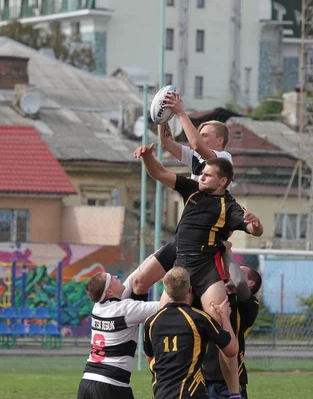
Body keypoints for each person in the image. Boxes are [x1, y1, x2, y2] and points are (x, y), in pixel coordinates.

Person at [134, 145, 263, 398]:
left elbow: (254, 230)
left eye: (208, 174)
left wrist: (256, 225)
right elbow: (159, 173)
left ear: (223, 180)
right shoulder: (192, 191)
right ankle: (163, 389)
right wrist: (148, 157)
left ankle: (234, 393)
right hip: (180, 271)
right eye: (201, 172)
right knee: (163, 325)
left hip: (207, 271)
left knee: (223, 330)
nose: (201, 176)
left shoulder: (231, 206)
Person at [131, 90, 234, 298]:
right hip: (185, 235)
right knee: (139, 282)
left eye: (205, 135)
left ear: (220, 141)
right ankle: (141, 327)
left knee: (194, 298)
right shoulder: (198, 159)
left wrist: (179, 112)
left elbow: (196, 144)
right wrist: (162, 114)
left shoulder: (223, 159)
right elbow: (166, 142)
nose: (199, 138)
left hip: (205, 239)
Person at [143, 267, 238, 399]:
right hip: (191, 393)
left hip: (161, 393)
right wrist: (225, 317)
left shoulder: (151, 321)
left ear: (167, 292)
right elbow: (231, 349)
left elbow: (150, 358)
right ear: (190, 290)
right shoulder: (199, 319)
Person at [76, 271, 162, 399]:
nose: (116, 276)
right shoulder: (125, 310)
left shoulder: (98, 307)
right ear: (109, 292)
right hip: (111, 385)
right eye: (112, 278)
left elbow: (134, 276)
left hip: (86, 382)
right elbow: (166, 305)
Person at [203, 256, 262, 399]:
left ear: (251, 283)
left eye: (239, 272)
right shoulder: (215, 296)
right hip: (204, 377)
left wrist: (225, 253)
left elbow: (239, 282)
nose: (232, 274)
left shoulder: (250, 304)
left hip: (230, 380)